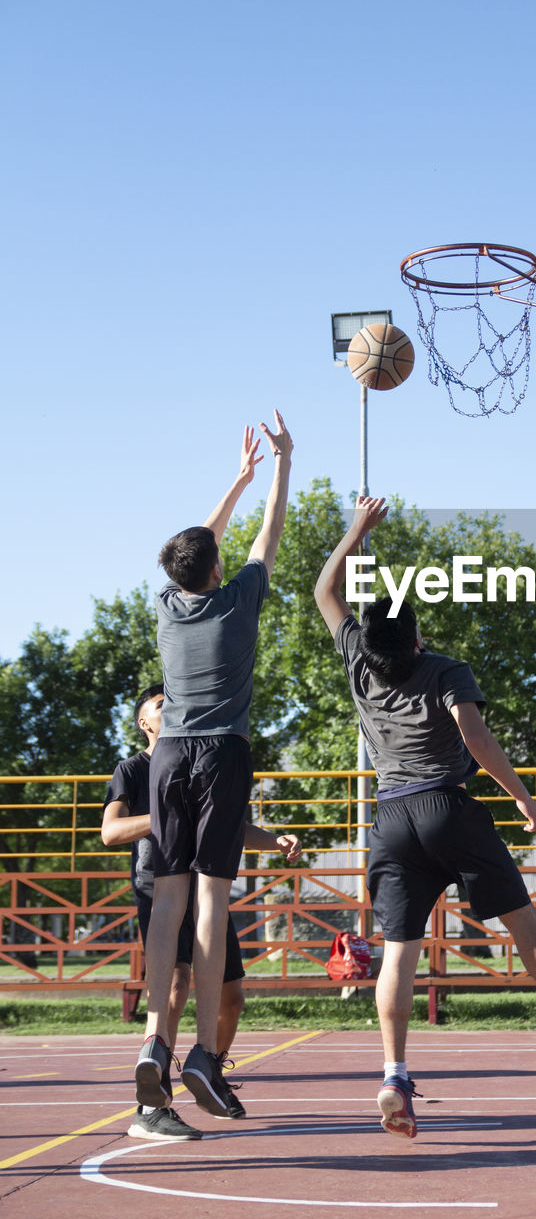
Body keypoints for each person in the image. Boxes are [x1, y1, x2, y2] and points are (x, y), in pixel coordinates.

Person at [314, 496, 536, 1141]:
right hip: (447, 807)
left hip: (390, 816)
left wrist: (356, 532)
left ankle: (394, 1073)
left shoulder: (358, 665)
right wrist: (521, 795)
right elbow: (475, 737)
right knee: (522, 918)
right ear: (418, 638)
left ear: (367, 642)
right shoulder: (444, 668)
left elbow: (325, 588)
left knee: (399, 950)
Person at [135, 412, 296, 1119]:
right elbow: (268, 535)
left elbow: (197, 546)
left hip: (166, 755)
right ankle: (203, 1051)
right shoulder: (237, 602)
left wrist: (234, 480)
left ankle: (152, 1046)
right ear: (217, 570)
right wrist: (279, 467)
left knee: (167, 901)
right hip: (221, 753)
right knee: (210, 901)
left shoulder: (169, 606)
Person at [104, 683, 301, 1140]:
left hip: (207, 892)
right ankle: (150, 1106)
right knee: (173, 987)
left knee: (231, 998)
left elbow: (227, 826)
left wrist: (274, 840)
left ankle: (209, 1070)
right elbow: (110, 832)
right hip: (161, 889)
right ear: (144, 723)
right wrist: (171, 816)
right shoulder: (134, 769)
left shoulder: (201, 762)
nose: (169, 709)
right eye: (159, 705)